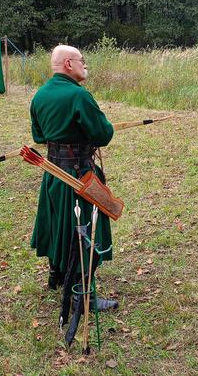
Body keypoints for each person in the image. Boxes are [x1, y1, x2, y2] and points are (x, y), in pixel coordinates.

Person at [30, 44, 118, 313]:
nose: (85, 65)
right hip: (79, 175)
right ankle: (83, 296)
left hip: (53, 173)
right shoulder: (79, 96)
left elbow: (39, 137)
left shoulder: (40, 96)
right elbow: (104, 134)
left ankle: (56, 276)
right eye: (82, 60)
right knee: (83, 231)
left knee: (59, 222)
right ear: (69, 64)